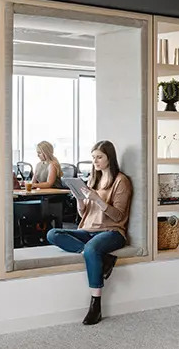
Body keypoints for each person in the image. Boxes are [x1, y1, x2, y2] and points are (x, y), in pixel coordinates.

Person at [46, 140, 131, 326]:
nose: (95, 161)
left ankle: (95, 305)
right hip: (88, 230)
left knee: (92, 249)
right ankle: (105, 260)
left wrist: (97, 198)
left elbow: (118, 216)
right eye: (93, 158)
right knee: (52, 234)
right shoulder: (94, 179)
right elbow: (85, 214)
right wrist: (80, 200)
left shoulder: (121, 182)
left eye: (99, 157)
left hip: (111, 232)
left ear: (110, 157)